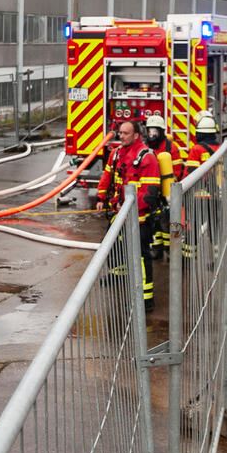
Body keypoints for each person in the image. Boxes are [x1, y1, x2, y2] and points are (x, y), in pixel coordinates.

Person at [95, 121, 162, 311]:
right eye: (120, 133)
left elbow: (149, 192)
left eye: (125, 133)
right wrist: (101, 197)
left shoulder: (146, 157)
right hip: (120, 213)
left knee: (140, 257)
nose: (121, 136)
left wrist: (128, 208)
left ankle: (145, 299)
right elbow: (107, 177)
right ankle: (118, 274)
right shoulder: (116, 154)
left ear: (136, 136)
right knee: (112, 244)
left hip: (139, 217)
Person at [143, 114, 180, 259]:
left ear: (161, 131)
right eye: (150, 131)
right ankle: (157, 248)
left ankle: (170, 250)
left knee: (168, 221)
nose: (152, 135)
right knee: (153, 220)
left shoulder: (171, 147)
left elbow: (177, 170)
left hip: (167, 190)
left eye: (155, 131)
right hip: (152, 188)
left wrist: (172, 188)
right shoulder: (145, 147)